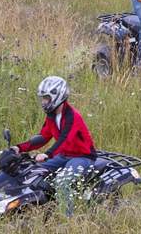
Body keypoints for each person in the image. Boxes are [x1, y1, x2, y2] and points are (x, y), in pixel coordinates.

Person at [10, 76, 96, 215]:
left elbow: (64, 139)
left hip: (82, 156)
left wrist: (47, 154)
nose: (43, 102)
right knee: (33, 171)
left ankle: (67, 218)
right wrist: (19, 148)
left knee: (62, 182)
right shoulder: (51, 115)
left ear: (58, 96)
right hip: (64, 155)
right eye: (42, 98)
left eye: (46, 98)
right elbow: (43, 137)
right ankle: (45, 206)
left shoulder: (73, 116)